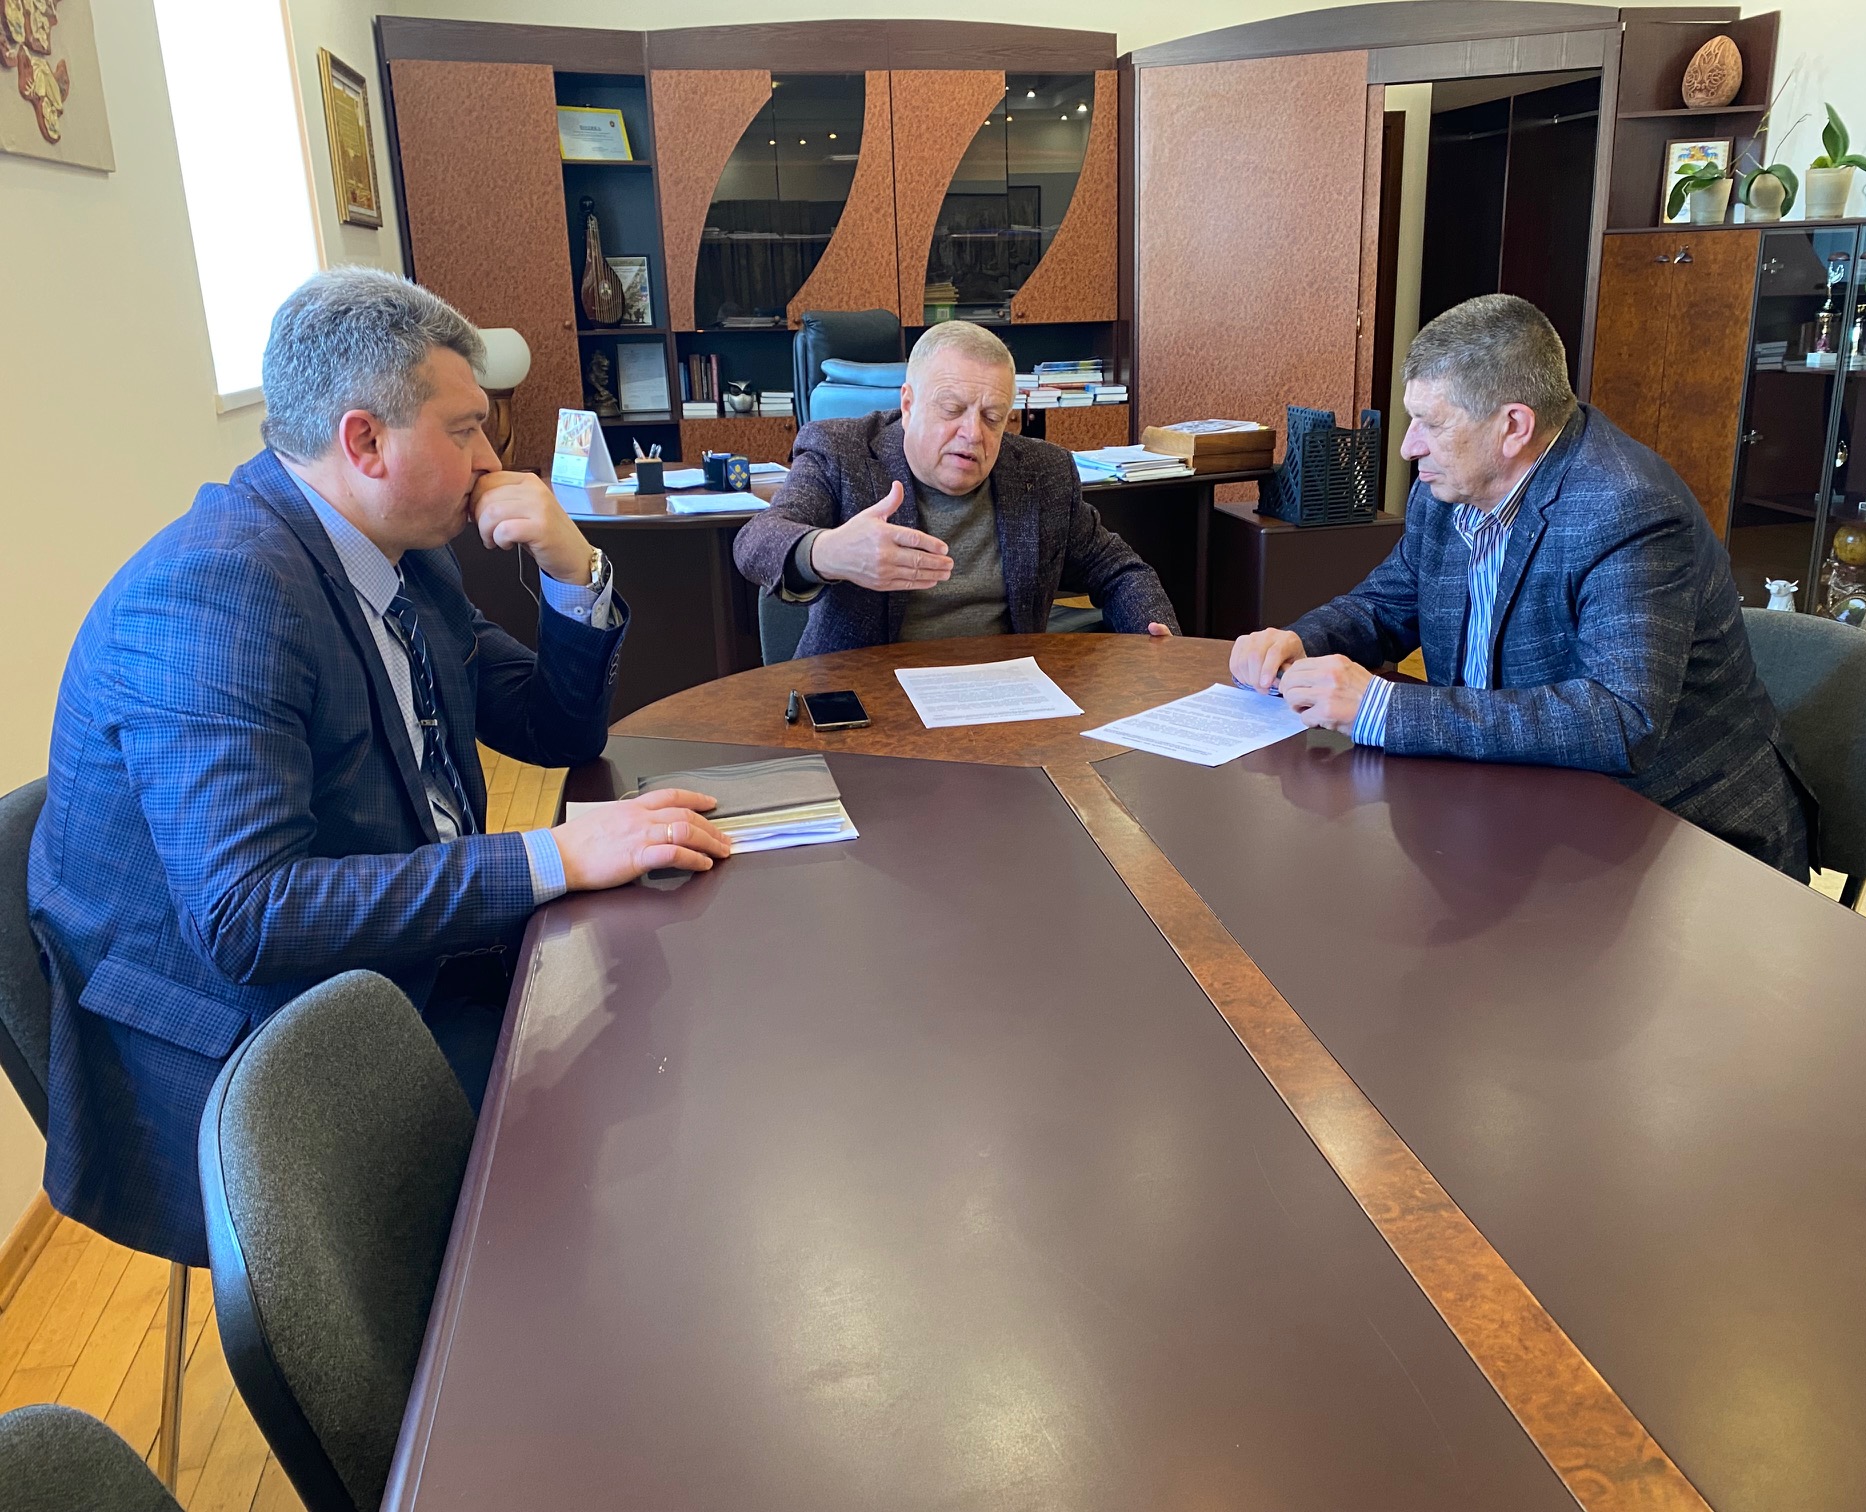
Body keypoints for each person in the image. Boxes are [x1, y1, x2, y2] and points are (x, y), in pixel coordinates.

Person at [29, 268, 731, 1266]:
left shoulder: (400, 553)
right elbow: (250, 917)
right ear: (363, 441)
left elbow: (556, 729)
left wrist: (574, 570)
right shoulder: (214, 594)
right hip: (252, 1043)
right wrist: (553, 858)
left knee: (665, 1055)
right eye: (465, 430)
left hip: (403, 958)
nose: (491, 462)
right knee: (612, 1169)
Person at [1230, 294, 1809, 877]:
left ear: (1512, 427)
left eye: (1432, 424)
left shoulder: (1627, 508)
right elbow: (1387, 604)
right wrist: (1300, 641)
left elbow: (1622, 720)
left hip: (1677, 835)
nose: (1408, 447)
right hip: (1511, 799)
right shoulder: (1449, 487)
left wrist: (1384, 708)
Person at [733, 320, 1177, 651]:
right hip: (867, 699)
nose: (972, 434)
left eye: (992, 417)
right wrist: (830, 552)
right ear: (908, 405)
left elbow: (1118, 570)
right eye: (951, 410)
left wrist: (1157, 634)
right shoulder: (841, 451)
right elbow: (757, 541)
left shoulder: (1043, 473)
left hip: (1002, 698)